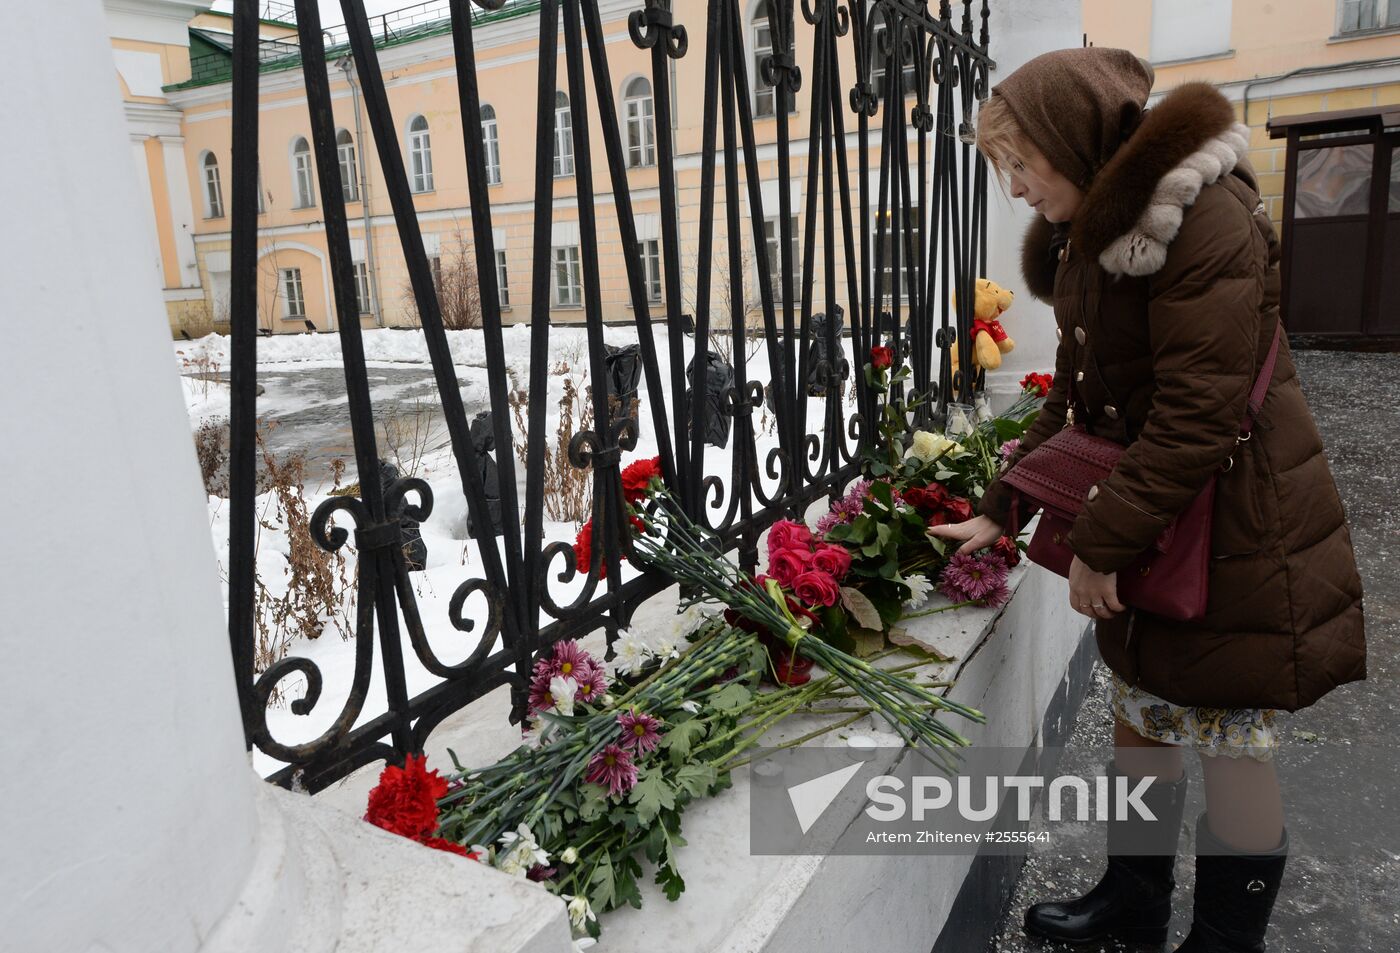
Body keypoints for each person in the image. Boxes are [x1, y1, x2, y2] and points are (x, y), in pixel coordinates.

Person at [929, 48, 1366, 951]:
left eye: (1021, 163)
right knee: (1143, 701)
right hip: (1160, 514)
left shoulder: (1204, 217)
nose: (1012, 190)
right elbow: (1076, 400)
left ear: (1072, 138)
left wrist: (1101, 541)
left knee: (1227, 727)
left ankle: (1221, 939)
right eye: (999, 168)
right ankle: (1131, 903)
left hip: (1232, 523)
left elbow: (1197, 415)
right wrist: (1003, 503)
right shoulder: (1097, 229)